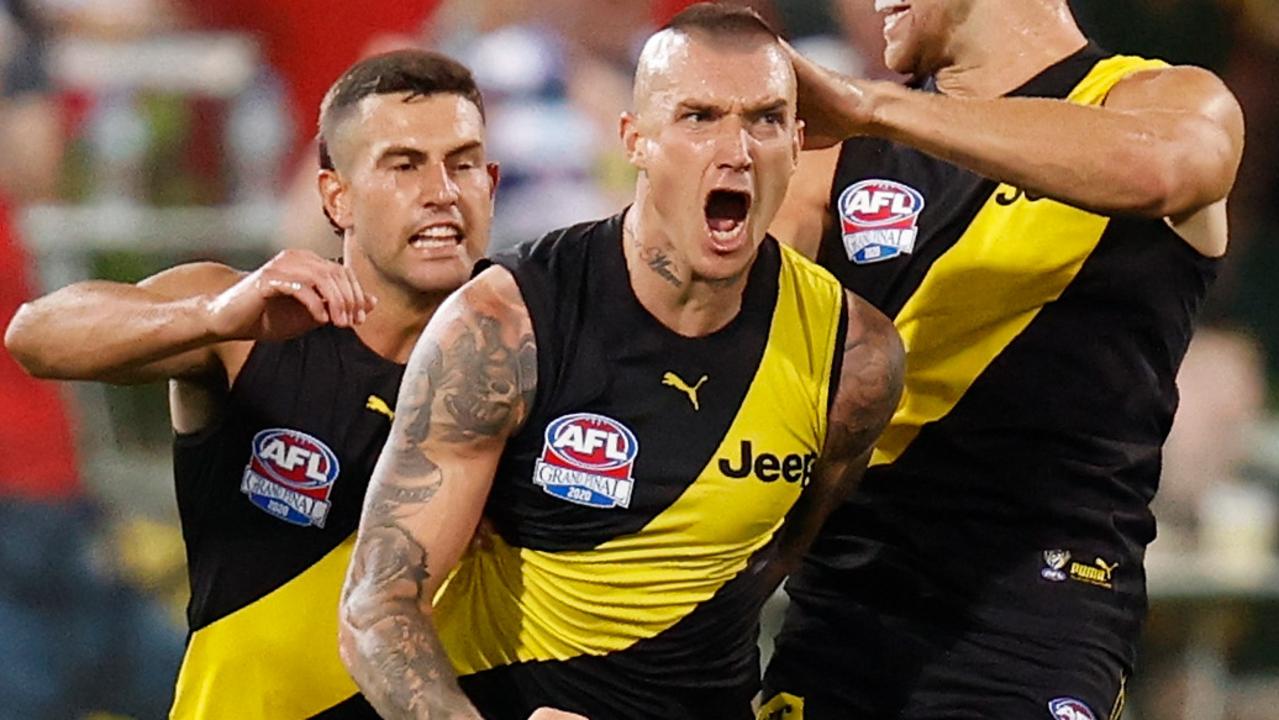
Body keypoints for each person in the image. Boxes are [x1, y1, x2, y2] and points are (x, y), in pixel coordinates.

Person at [336, 5, 905, 720]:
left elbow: (782, 556)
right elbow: (378, 607)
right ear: (634, 138)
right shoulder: (506, 326)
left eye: (762, 120)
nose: (736, 149)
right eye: (698, 117)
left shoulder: (851, 356)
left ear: (796, 144)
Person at [757, 1, 1245, 719]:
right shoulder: (837, 152)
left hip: (1039, 622)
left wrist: (875, 109)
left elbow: (1169, 167)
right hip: (838, 622)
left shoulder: (1157, 99)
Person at [4, 49, 499, 719]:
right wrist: (208, 317)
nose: (441, 190)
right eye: (404, 165)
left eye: (462, 163)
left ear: (490, 183)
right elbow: (38, 334)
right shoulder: (249, 324)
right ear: (336, 197)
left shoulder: (537, 357)